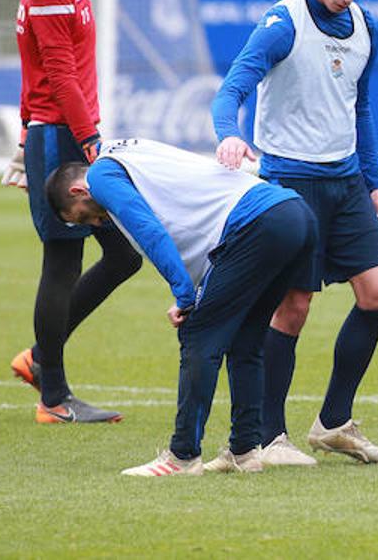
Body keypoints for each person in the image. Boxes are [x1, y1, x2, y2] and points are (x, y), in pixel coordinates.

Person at [211, 0, 378, 466]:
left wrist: (376, 182)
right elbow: (234, 87)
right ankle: (270, 437)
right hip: (289, 181)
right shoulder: (281, 23)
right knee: (292, 307)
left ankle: (334, 421)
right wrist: (228, 131)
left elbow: (358, 110)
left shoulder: (366, 27)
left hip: (346, 183)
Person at [45, 139, 316, 476]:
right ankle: (245, 451)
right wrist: (192, 293)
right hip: (294, 213)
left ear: (77, 190)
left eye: (84, 217)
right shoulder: (128, 152)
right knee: (246, 339)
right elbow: (212, 245)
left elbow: (150, 232)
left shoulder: (101, 176)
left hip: (256, 221)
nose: (97, 224)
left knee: (199, 334)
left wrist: (186, 297)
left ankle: (182, 456)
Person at [7, 0, 142, 424]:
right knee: (62, 261)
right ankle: (53, 397)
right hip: (63, 137)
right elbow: (58, 77)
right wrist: (88, 142)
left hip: (59, 132)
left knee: (123, 255)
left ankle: (41, 360)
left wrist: (24, 137)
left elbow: (37, 69)